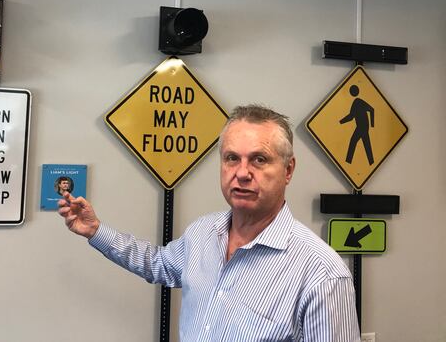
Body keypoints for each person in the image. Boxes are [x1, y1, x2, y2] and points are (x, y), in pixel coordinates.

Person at [58, 104, 360, 341]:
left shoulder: (322, 275)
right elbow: (157, 263)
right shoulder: (204, 232)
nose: (242, 172)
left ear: (288, 170)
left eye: (259, 159)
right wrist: (96, 231)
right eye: (232, 158)